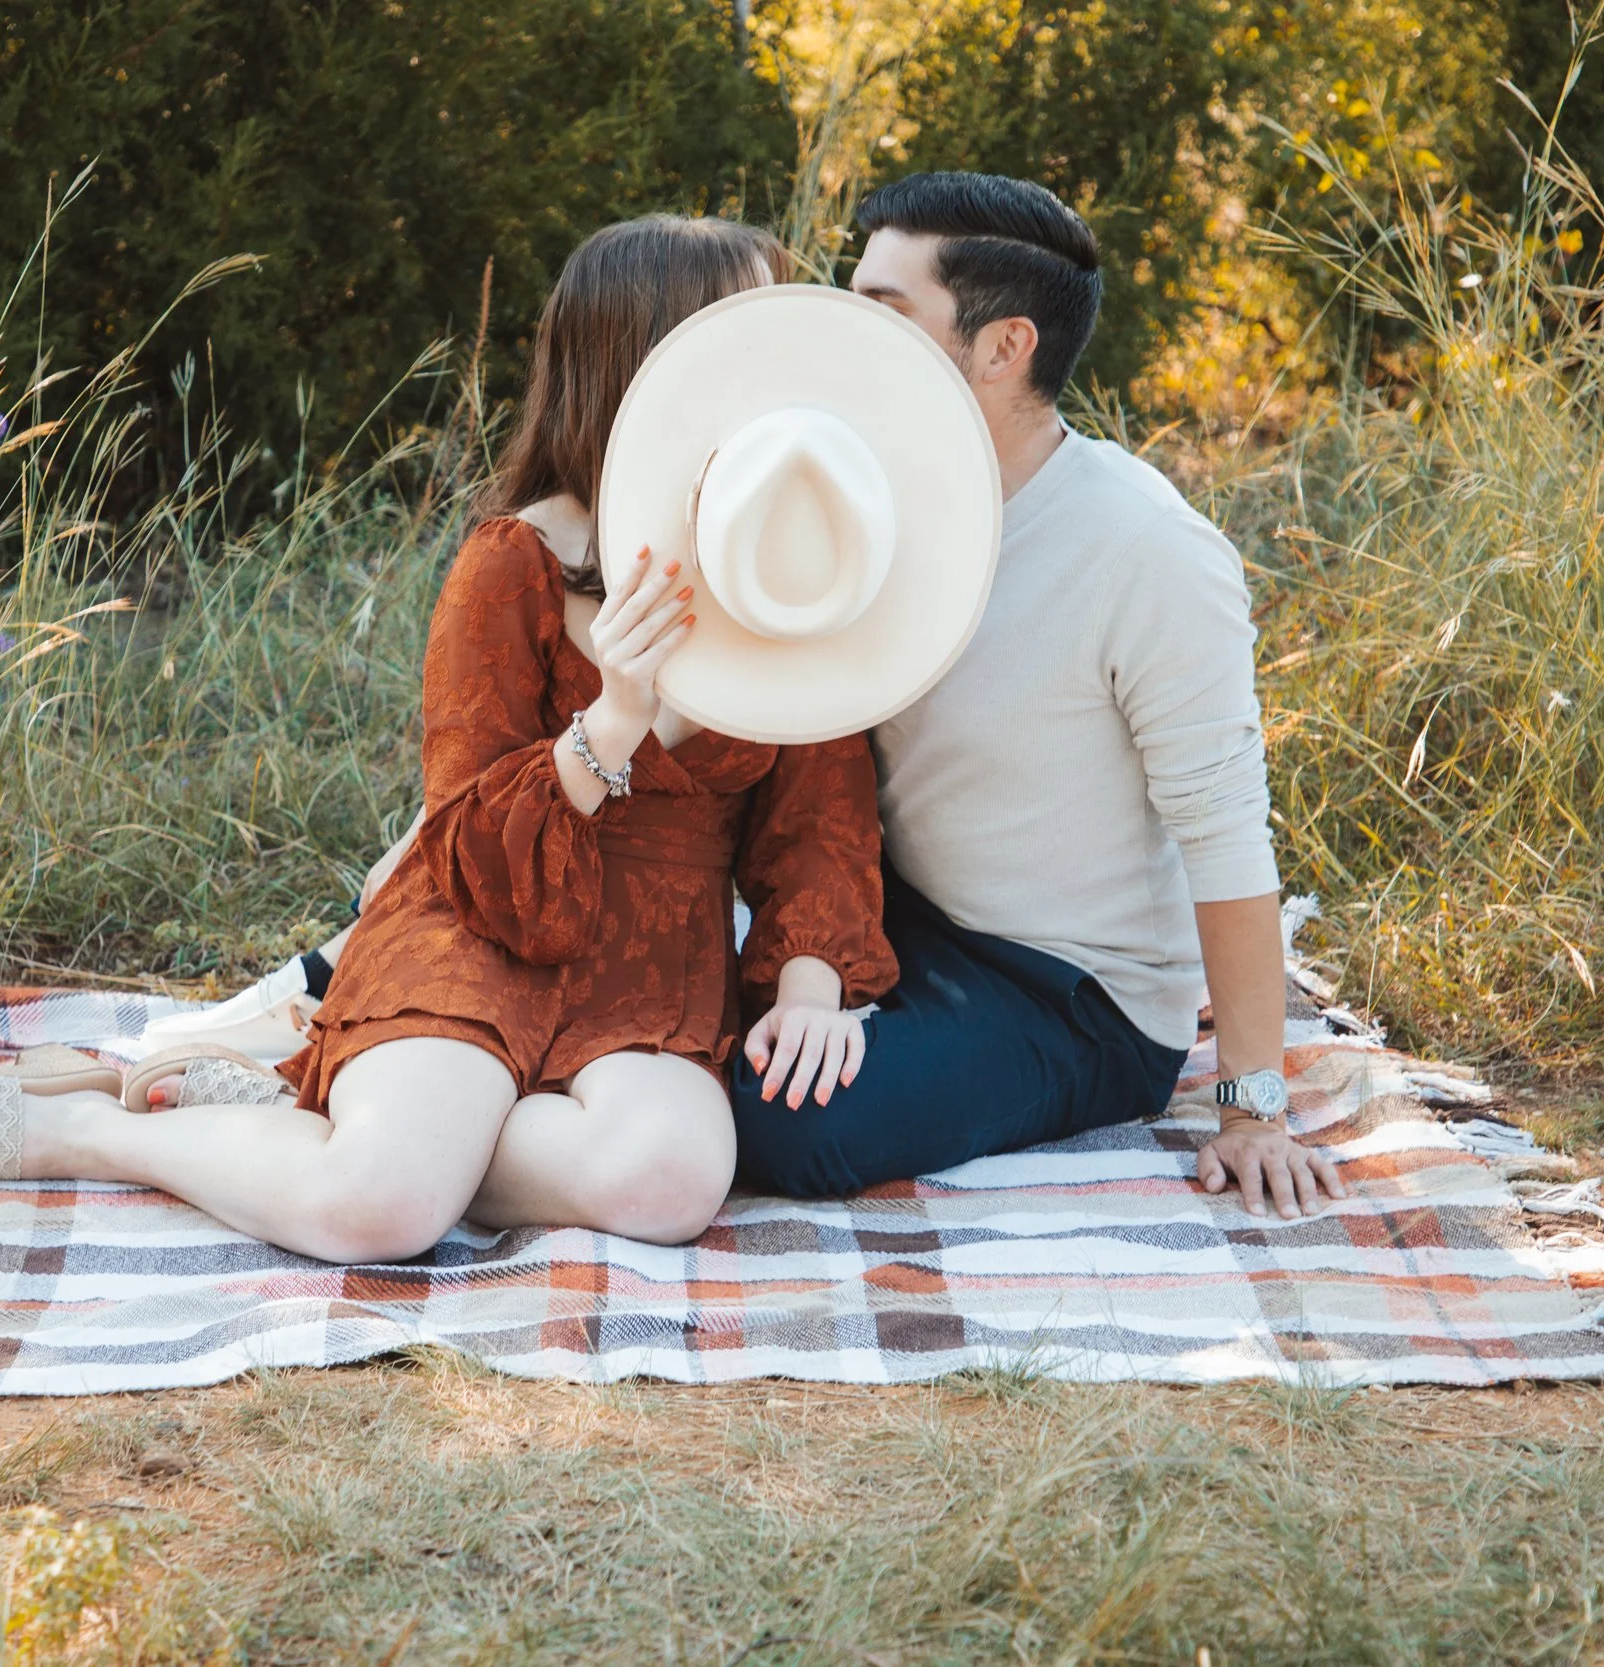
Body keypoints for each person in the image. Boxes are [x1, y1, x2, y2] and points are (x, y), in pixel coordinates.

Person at [0, 214, 897, 1264]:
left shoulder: (792, 572)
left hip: (648, 968)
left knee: (668, 1180)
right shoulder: (514, 563)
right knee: (380, 1210)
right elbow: (466, 844)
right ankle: (97, 1129)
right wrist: (616, 719)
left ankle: (316, 1112)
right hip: (479, 930)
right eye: (745, 336)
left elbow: (820, 827)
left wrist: (810, 984)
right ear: (650, 361)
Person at [327, 173, 1348, 1222]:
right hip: (899, 908)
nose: (834, 335)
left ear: (1002, 350)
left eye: (881, 314)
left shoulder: (1146, 550)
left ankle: (407, 1144)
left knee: (771, 1114)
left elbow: (1227, 837)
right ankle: (392, 1072)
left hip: (1063, 986)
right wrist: (435, 831)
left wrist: (1252, 1107)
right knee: (639, 986)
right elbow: (794, 760)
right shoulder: (844, 499)